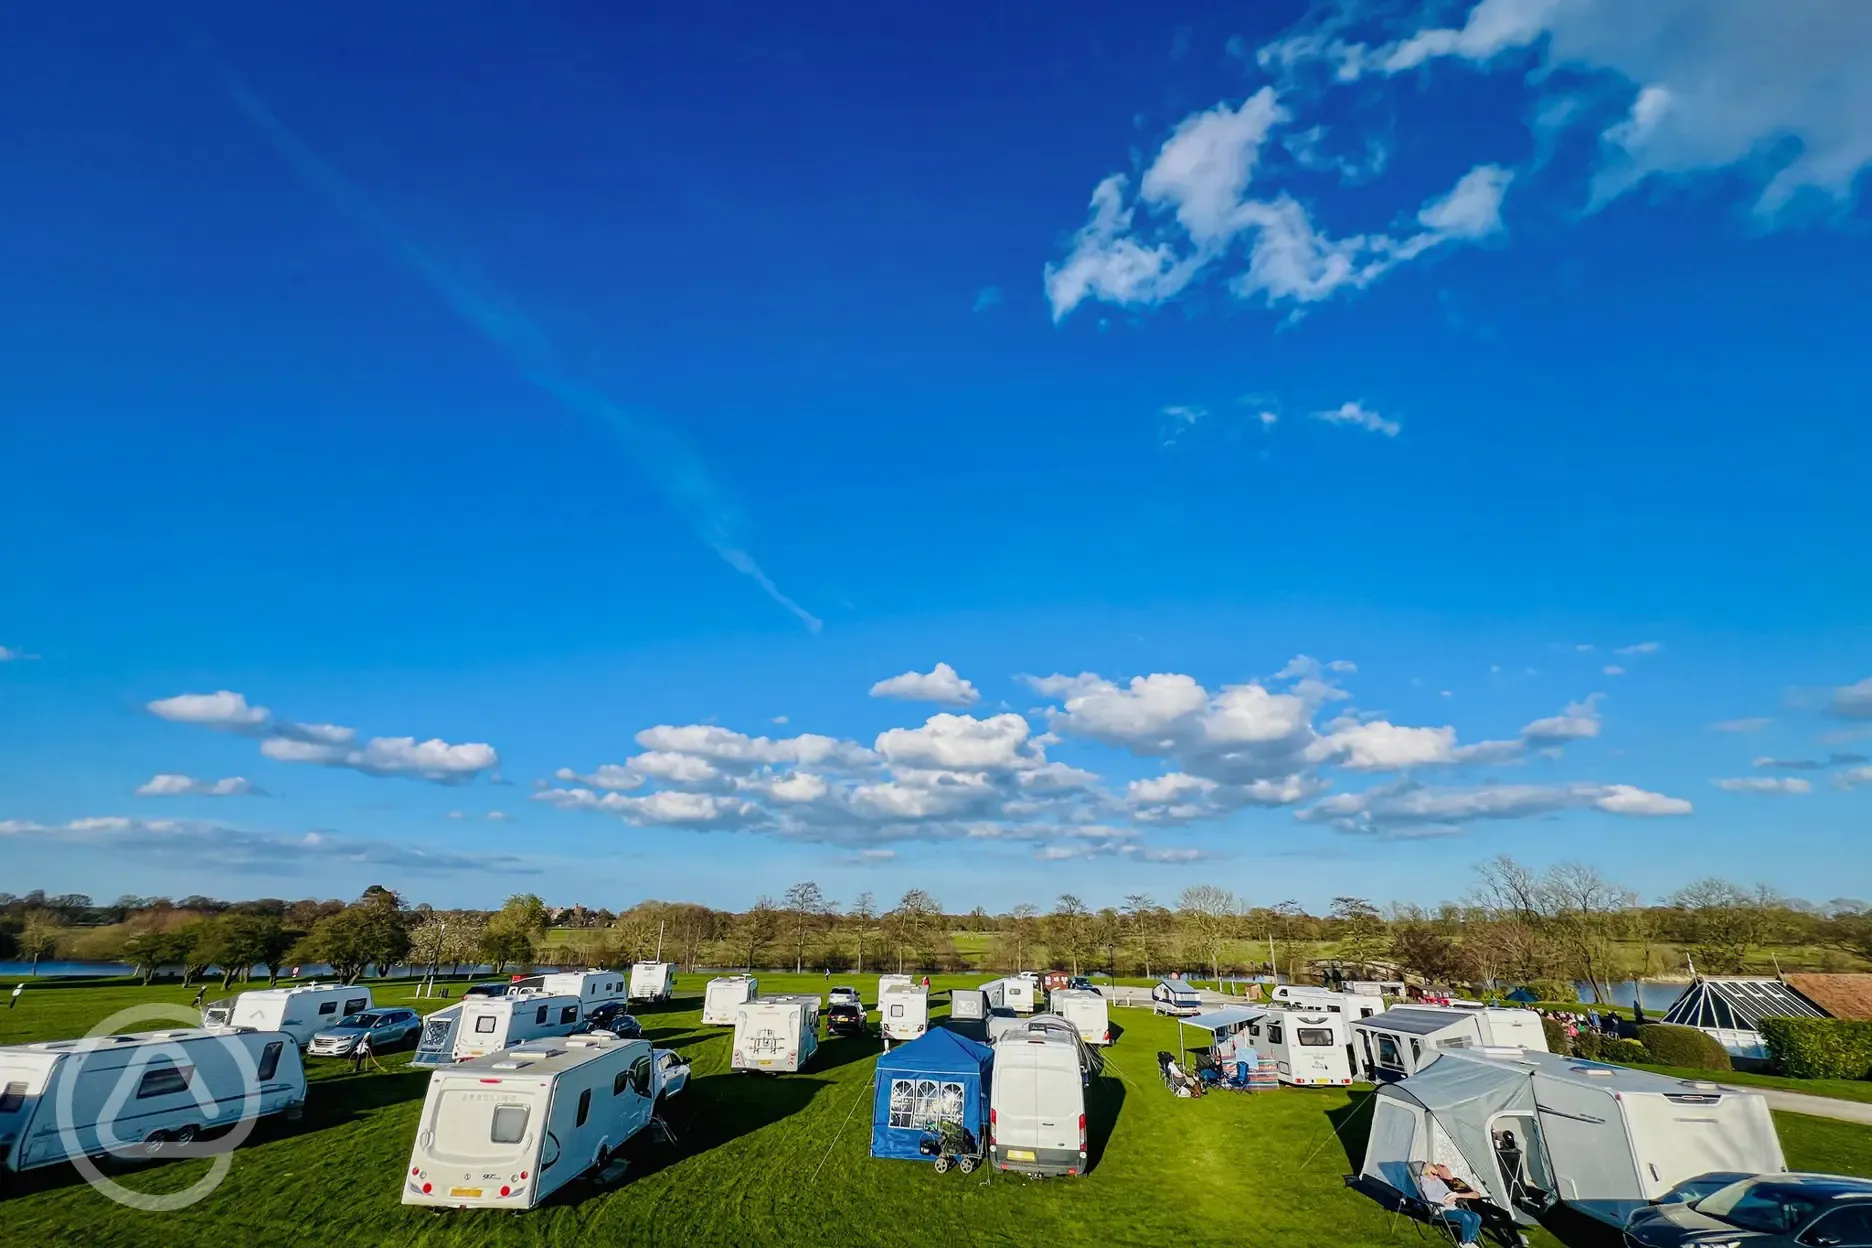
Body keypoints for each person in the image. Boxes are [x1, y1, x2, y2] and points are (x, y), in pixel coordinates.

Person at [1419, 1161, 1483, 1248]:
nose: (1436, 1176)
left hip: (1452, 1206)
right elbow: (1430, 1198)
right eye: (1434, 1174)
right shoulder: (1426, 1183)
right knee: (1465, 1218)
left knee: (1477, 1217)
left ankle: (1471, 1240)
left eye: (1437, 1174)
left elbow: (1448, 1192)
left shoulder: (1438, 1181)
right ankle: (1465, 1243)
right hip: (1441, 1210)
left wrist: (1452, 1197)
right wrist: (1444, 1201)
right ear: (1427, 1172)